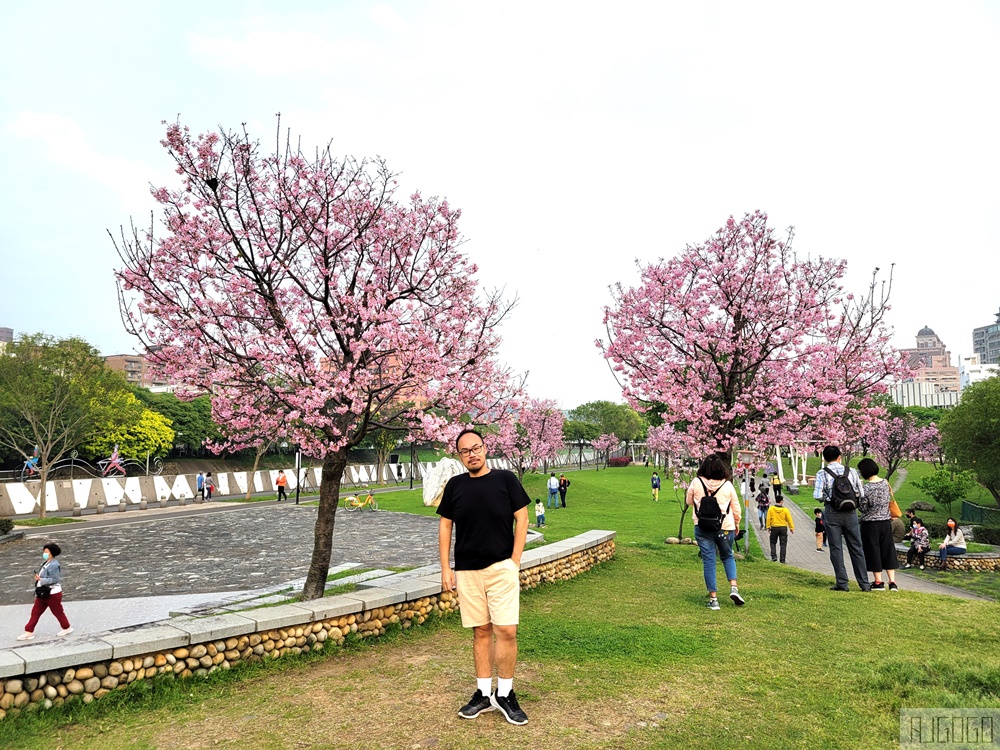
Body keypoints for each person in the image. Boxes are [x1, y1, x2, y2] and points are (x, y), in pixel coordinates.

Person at [438, 428, 530, 725]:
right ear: (459, 455)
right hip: (467, 570)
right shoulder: (455, 486)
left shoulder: (505, 479)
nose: (472, 454)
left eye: (476, 448)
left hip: (501, 567)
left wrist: (514, 560)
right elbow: (445, 527)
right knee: (480, 631)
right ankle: (482, 694)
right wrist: (445, 568)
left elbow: (523, 517)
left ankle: (505, 693)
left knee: (506, 631)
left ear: (485, 448)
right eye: (465, 451)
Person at [686, 454, 745, 610]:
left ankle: (714, 600)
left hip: (703, 528)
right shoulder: (727, 485)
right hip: (725, 528)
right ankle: (734, 587)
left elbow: (688, 501)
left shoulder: (696, 482)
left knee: (709, 561)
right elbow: (736, 508)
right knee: (727, 556)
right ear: (721, 468)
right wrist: (736, 523)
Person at [813, 446, 871, 592]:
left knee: (836, 548)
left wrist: (830, 498)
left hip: (832, 512)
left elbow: (817, 495)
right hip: (851, 512)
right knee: (857, 547)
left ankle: (842, 583)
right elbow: (861, 492)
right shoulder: (851, 471)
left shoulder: (822, 473)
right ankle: (864, 584)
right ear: (840, 456)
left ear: (825, 458)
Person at [857, 458, 899, 591]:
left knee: (873, 551)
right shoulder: (885, 483)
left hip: (870, 524)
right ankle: (892, 582)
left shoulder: (866, 488)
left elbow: (863, 508)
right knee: (887, 550)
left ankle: (878, 581)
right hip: (886, 522)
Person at [17, 543, 73, 640]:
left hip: (52, 593)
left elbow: (55, 579)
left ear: (52, 553)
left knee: (57, 612)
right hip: (43, 593)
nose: (44, 553)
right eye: (44, 551)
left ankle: (67, 627)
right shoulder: (46, 563)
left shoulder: (54, 565)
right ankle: (28, 631)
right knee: (35, 612)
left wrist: (41, 579)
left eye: (46, 552)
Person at [765, 496, 794, 563]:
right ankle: (782, 559)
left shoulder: (771, 509)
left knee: (772, 542)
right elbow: (789, 519)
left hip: (774, 527)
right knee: (783, 544)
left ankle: (774, 556)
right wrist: (791, 528)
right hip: (783, 528)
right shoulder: (785, 510)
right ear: (781, 501)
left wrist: (768, 527)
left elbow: (768, 518)